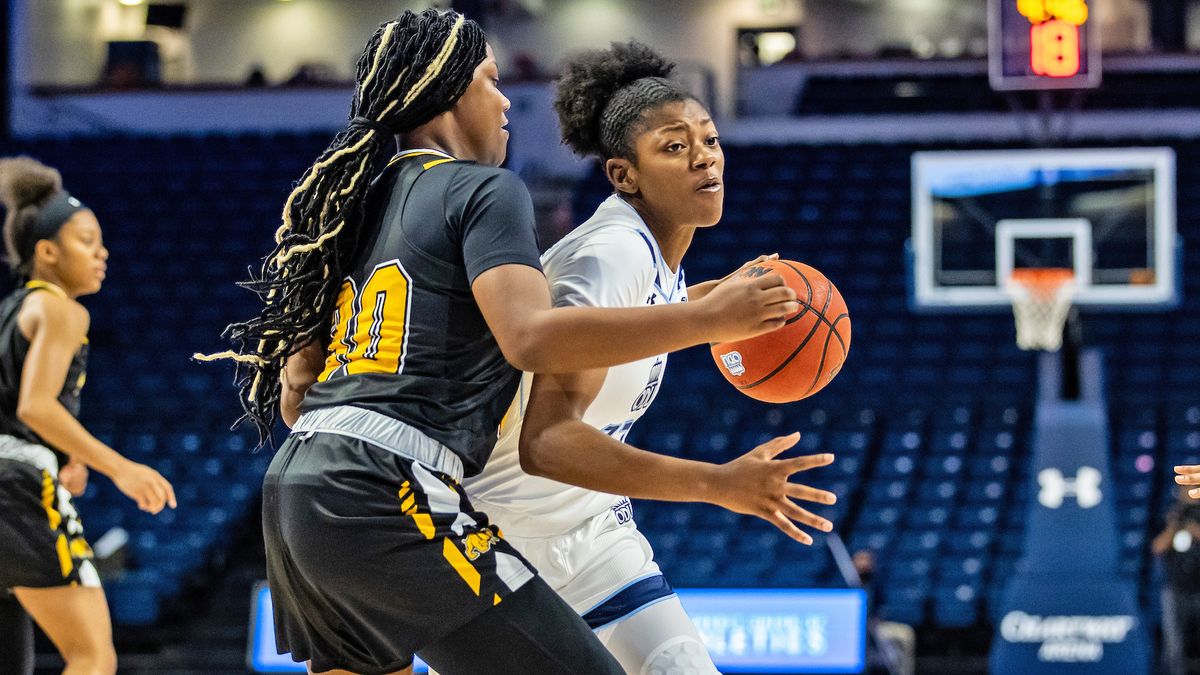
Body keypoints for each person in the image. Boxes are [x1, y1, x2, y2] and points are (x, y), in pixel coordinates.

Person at [198, 10, 799, 675]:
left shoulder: (353, 205)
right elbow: (531, 336)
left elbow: (298, 394)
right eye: (490, 79)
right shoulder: (483, 188)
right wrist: (707, 323)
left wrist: (695, 301)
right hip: (388, 487)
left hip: (297, 487)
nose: (508, 98)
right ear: (451, 92)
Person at [459, 40, 837, 675]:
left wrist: (702, 298)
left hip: (593, 536)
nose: (704, 160)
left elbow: (623, 324)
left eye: (710, 140)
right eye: (674, 147)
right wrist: (718, 484)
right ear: (622, 174)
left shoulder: (650, 258)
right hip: (498, 543)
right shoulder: (613, 253)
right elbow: (546, 444)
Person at [0, 156, 176, 675]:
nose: (102, 253)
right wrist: (120, 468)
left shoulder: (11, 309)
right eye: (86, 240)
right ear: (47, 251)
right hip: (16, 487)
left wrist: (65, 455)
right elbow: (35, 405)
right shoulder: (61, 309)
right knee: (92, 655)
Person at [1152, 487, 1200, 675]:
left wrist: (1194, 529)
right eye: (1186, 489)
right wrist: (1175, 526)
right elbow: (1157, 547)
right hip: (1176, 588)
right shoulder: (1170, 514)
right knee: (1174, 648)